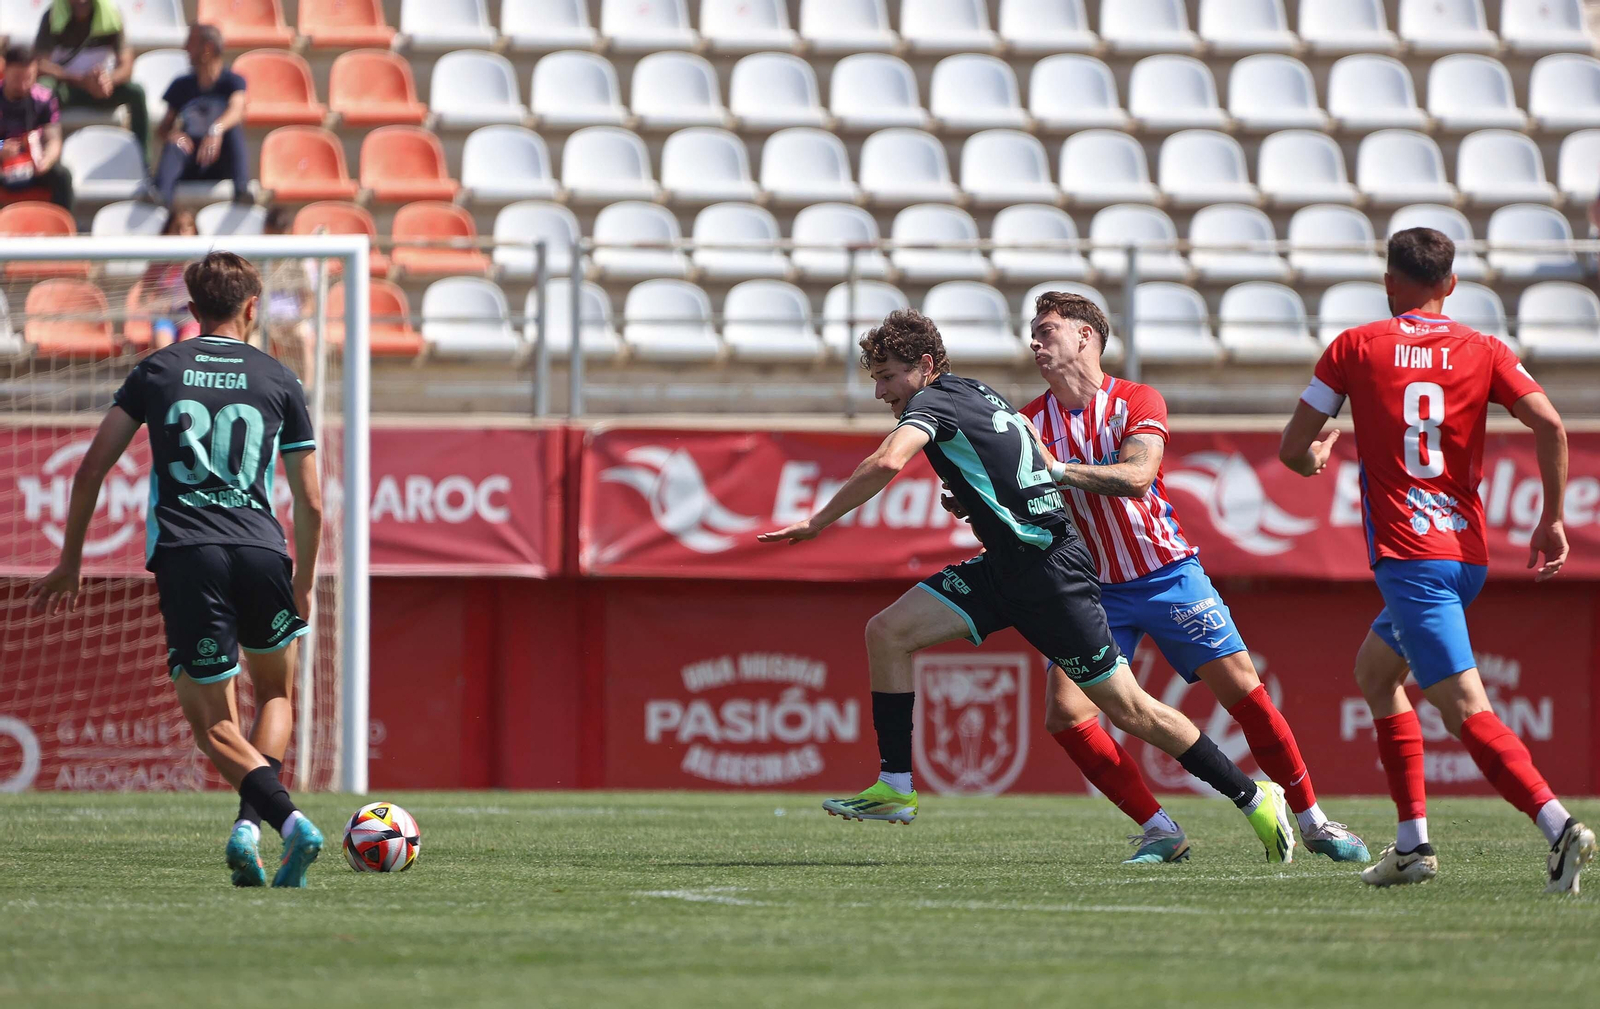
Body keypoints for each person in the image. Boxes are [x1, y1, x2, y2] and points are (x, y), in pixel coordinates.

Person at [758, 310, 1296, 863]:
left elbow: (887, 461)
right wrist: (974, 497)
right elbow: (1014, 465)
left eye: (887, 375)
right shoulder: (978, 394)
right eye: (874, 377)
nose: (878, 391)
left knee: (1129, 710)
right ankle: (895, 786)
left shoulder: (931, 403)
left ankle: (1254, 796)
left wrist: (817, 521)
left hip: (1050, 575)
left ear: (924, 367)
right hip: (1006, 567)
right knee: (888, 632)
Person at [979, 290, 1366, 865]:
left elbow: (1138, 476)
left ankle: (1313, 821)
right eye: (1033, 332)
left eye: (1048, 329)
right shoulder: (1027, 420)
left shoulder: (1137, 399)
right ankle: (1161, 829)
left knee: (1243, 692)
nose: (1035, 341)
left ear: (1086, 336)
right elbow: (1017, 498)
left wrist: (1058, 470)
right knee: (1065, 713)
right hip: (1092, 588)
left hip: (1165, 573)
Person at [1279, 227, 1596, 893]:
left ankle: (1558, 824)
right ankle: (1411, 843)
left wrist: (1313, 459)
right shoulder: (1484, 348)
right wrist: (1553, 517)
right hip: (1465, 553)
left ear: (1389, 282)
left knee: (1463, 707)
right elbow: (1551, 424)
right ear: (1451, 285)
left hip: (1410, 556)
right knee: (1375, 672)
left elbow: (1294, 447)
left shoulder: (1354, 346)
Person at [28, 251, 326, 889]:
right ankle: (249, 827)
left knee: (213, 727)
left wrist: (71, 560)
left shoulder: (158, 369)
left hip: (191, 554)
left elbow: (90, 469)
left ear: (191, 312)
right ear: (253, 308)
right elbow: (313, 501)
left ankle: (289, 822)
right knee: (277, 695)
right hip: (261, 550)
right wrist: (301, 579)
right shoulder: (280, 378)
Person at [141, 24, 247, 209]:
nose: (185, 48)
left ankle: (243, 191)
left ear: (207, 49)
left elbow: (237, 110)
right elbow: (163, 128)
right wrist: (172, 135)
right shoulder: (182, 85)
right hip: (190, 157)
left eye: (191, 43)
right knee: (175, 144)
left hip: (219, 159)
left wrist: (216, 130)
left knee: (234, 131)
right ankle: (160, 197)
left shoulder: (232, 82)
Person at [34, 0, 149, 163]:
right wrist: (81, 80)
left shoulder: (111, 15)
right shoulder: (52, 16)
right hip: (66, 89)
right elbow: (40, 64)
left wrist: (108, 81)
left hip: (101, 90)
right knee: (42, 90)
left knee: (136, 92)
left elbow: (126, 64)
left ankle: (143, 163)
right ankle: (40, 157)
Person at [0, 45, 71, 208]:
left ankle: (63, 228)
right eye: (18, 78)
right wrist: (2, 147)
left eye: (29, 78)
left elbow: (53, 138)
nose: (24, 85)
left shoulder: (44, 98)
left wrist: (46, 160)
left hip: (32, 160)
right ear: (6, 71)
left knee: (62, 176)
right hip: (3, 161)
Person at [139, 208, 202, 348]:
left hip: (190, 316)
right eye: (176, 229)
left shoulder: (199, 265)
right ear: (167, 232)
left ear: (194, 232)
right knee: (164, 347)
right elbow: (143, 294)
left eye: (186, 229)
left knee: (188, 347)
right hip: (165, 316)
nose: (181, 234)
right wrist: (157, 303)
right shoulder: (159, 264)